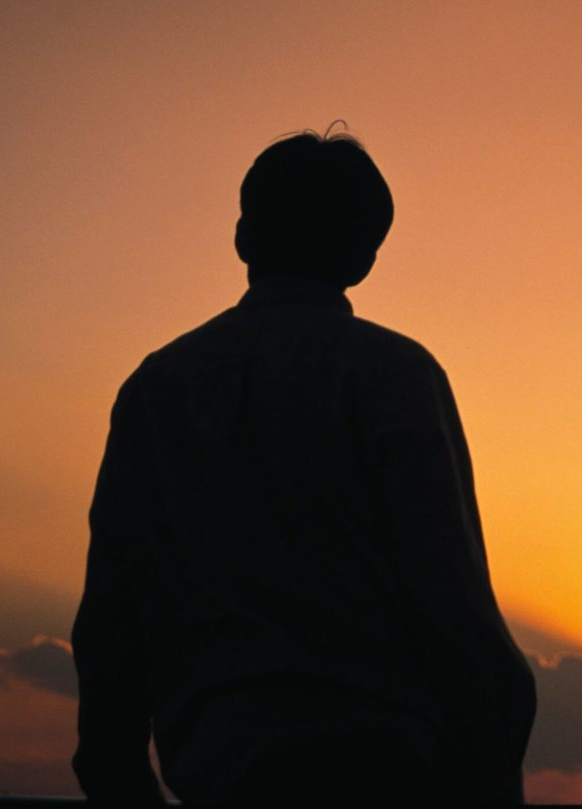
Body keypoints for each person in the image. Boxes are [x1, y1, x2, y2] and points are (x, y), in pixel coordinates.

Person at [71, 129, 536, 804]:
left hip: (219, 769)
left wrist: (115, 766)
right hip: (387, 767)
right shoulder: (394, 376)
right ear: (364, 256)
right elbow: (452, 606)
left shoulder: (156, 388)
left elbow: (113, 617)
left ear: (243, 237)